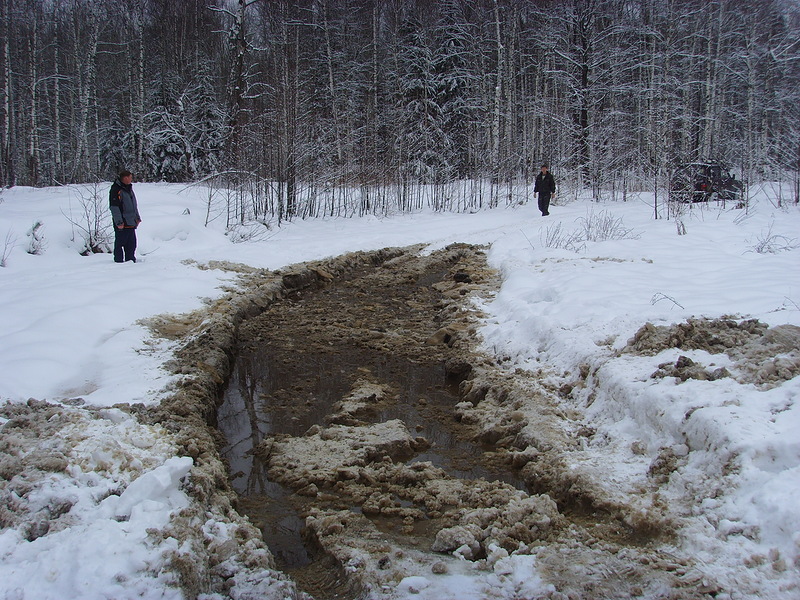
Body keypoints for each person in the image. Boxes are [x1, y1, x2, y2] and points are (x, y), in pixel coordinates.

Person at [109, 170, 141, 263]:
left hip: (131, 222)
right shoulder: (116, 190)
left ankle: (130, 261)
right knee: (120, 244)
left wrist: (137, 217)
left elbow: (134, 205)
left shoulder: (129, 188)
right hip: (122, 223)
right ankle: (118, 262)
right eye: (130, 177)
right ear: (125, 178)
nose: (131, 179)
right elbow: (114, 208)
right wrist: (119, 222)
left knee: (132, 244)